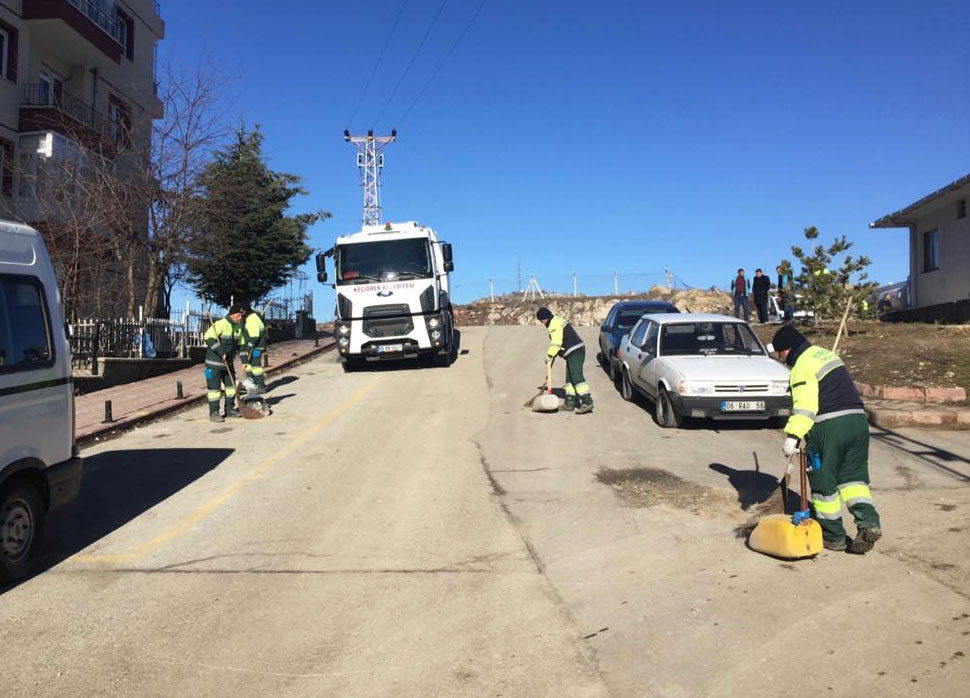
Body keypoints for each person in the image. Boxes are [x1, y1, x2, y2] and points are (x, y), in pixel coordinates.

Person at [770, 324, 882, 553]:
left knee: (822, 482)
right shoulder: (824, 354)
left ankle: (834, 538)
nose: (781, 359)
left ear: (787, 349)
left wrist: (793, 435)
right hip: (858, 422)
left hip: (830, 427)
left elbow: (806, 406)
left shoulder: (801, 367)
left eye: (780, 354)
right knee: (854, 479)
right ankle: (868, 523)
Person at [536, 307, 593, 414]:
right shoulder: (556, 321)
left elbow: (556, 343)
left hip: (575, 352)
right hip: (571, 353)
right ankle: (569, 404)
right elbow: (559, 344)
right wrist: (552, 358)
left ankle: (587, 401)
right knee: (569, 380)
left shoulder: (554, 324)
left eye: (541, 321)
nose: (542, 323)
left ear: (544, 319)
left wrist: (549, 355)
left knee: (576, 378)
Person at [203, 304, 245, 422]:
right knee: (214, 389)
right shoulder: (221, 324)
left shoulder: (238, 328)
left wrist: (245, 362)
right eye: (238, 316)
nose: (240, 318)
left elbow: (240, 346)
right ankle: (214, 412)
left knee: (231, 387)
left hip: (228, 365)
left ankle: (230, 409)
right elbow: (208, 338)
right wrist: (221, 351)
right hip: (213, 365)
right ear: (232, 315)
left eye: (241, 316)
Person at [241, 304, 267, 394]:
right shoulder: (249, 318)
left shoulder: (252, 319)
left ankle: (260, 385)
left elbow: (254, 336)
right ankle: (251, 384)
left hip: (256, 348)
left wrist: (248, 348)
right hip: (255, 346)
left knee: (256, 365)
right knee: (249, 366)